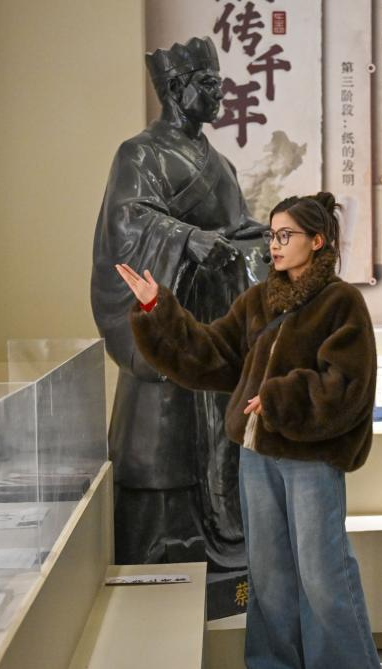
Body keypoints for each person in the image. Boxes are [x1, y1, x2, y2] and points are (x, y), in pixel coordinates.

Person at [115, 193, 381, 668]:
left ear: (317, 241)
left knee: (322, 573)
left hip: (310, 459)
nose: (274, 245)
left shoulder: (342, 302)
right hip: (257, 457)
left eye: (286, 235)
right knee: (269, 574)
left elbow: (347, 385)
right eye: (271, 235)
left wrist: (279, 399)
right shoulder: (259, 299)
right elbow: (212, 352)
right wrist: (158, 309)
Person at [90, 36, 262, 568]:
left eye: (218, 83)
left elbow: (237, 227)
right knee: (165, 455)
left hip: (216, 325)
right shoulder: (139, 154)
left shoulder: (222, 164)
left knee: (221, 444)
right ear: (175, 88)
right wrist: (186, 240)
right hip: (168, 321)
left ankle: (223, 551)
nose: (219, 94)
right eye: (208, 84)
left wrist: (265, 239)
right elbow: (126, 223)